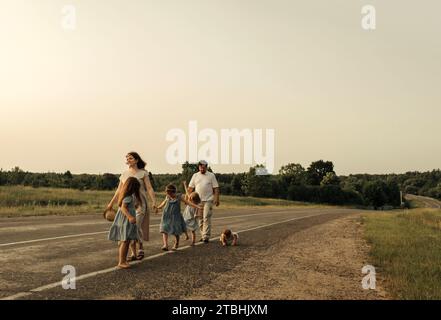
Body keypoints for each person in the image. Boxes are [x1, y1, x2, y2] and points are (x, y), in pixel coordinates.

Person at [106, 152, 156, 260]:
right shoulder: (124, 174)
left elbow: (149, 188)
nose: (128, 160)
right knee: (129, 228)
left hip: (140, 204)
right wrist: (111, 203)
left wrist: (154, 202)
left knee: (136, 226)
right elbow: (119, 191)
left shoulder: (143, 173)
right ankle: (133, 253)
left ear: (136, 160)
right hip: (127, 204)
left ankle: (141, 247)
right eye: (127, 158)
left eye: (131, 158)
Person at [155, 184, 202, 251]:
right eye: (167, 193)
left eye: (169, 193)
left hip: (176, 216)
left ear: (173, 192)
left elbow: (188, 203)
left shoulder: (179, 197)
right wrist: (158, 207)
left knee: (176, 231)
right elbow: (163, 203)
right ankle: (165, 245)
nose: (167, 194)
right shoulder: (167, 197)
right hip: (167, 215)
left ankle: (176, 243)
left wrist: (197, 207)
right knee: (164, 229)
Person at [108, 177, 141, 269]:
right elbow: (123, 208)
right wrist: (130, 217)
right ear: (132, 187)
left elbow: (127, 206)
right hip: (125, 220)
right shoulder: (128, 197)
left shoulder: (126, 195)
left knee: (125, 240)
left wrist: (135, 207)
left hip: (123, 220)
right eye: (136, 188)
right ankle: (121, 262)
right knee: (125, 241)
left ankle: (123, 260)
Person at [187, 160, 220, 243]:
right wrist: (187, 199)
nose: (202, 169)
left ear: (206, 167)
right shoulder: (195, 176)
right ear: (199, 167)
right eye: (200, 168)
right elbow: (190, 188)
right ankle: (203, 235)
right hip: (198, 201)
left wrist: (216, 198)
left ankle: (206, 236)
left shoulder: (211, 175)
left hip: (208, 200)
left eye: (203, 168)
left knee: (206, 217)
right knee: (200, 219)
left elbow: (216, 188)